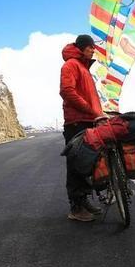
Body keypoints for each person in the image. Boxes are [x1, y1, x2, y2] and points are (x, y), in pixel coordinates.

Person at [60, 34, 105, 222]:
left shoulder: (83, 67)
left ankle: (83, 200)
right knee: (76, 164)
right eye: (90, 46)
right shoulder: (70, 65)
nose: (93, 49)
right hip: (76, 122)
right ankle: (76, 208)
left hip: (88, 120)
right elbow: (67, 91)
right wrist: (88, 109)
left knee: (87, 163)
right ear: (81, 47)